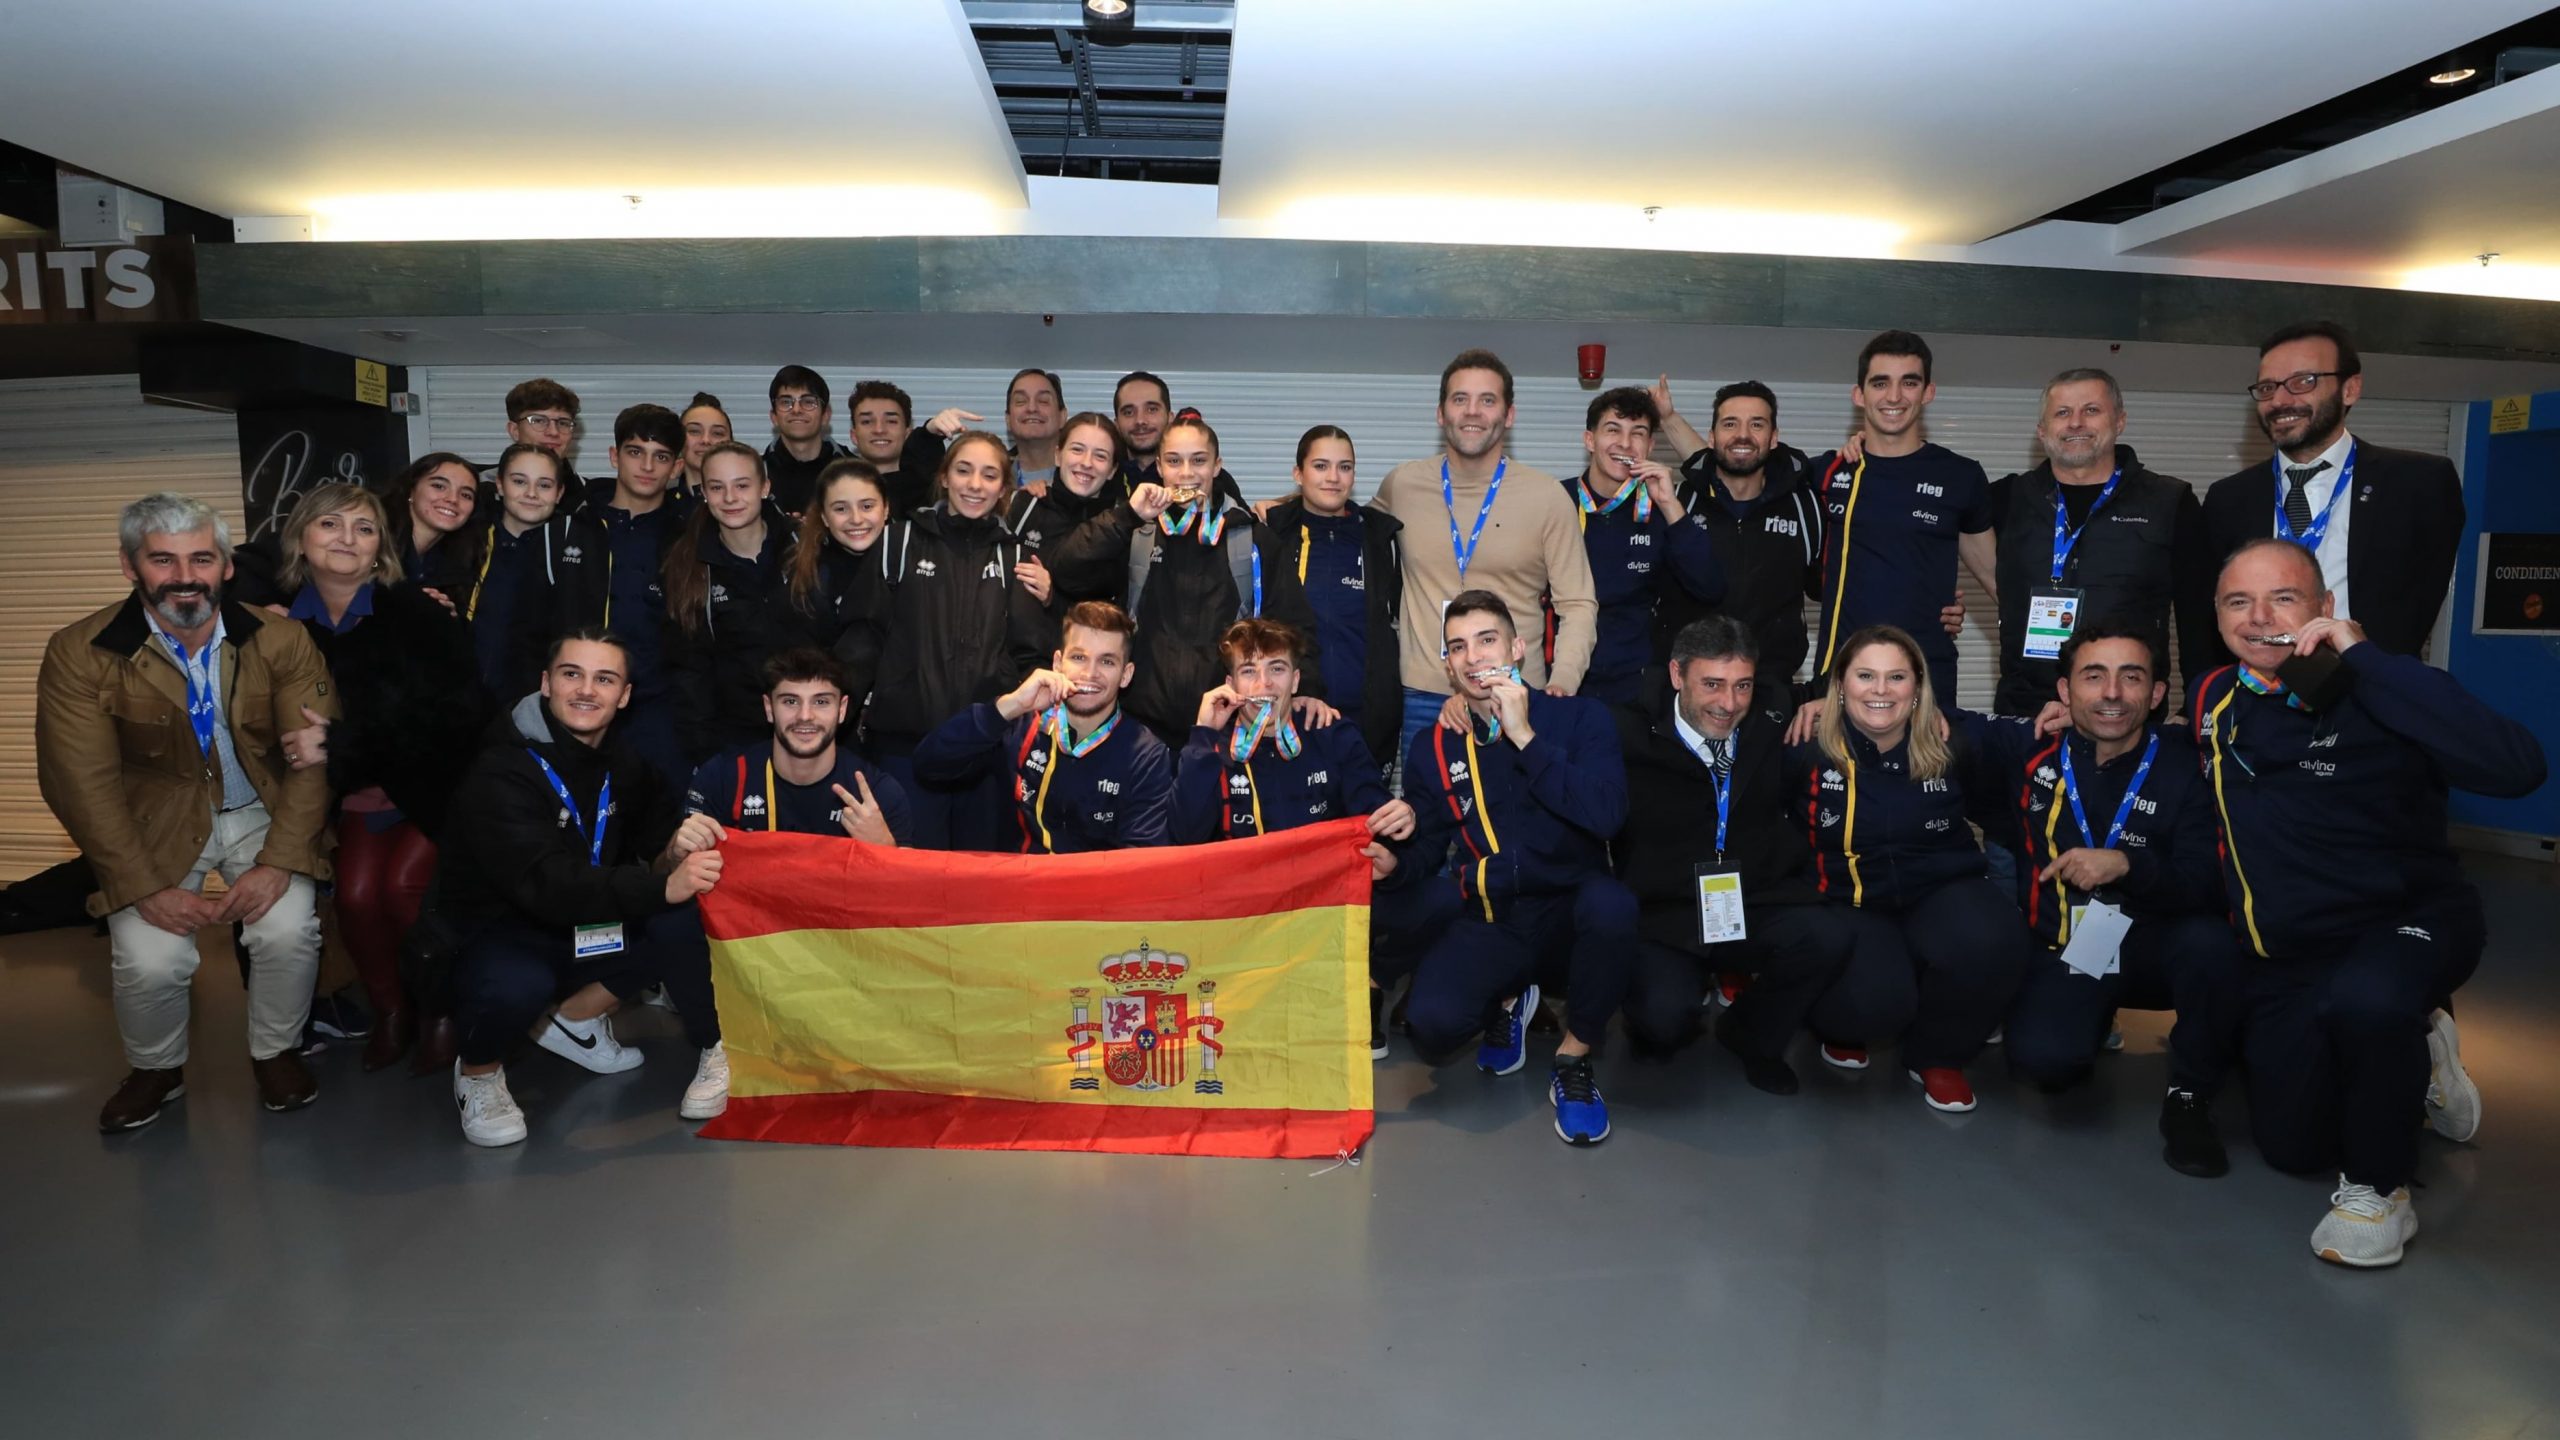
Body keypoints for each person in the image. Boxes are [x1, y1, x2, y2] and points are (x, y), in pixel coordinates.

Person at [2192, 538, 2545, 1266]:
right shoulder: (2215, 699)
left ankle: (2379, 1192)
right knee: (2294, 1148)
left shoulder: (2387, 690)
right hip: (2295, 953)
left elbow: (2517, 769)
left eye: (2282, 598)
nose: (2259, 618)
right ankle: (2419, 1052)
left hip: (2408, 922)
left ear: (2324, 607)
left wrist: (2367, 659)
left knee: (2369, 999)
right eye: (2238, 601)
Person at [37, 493, 335, 1129]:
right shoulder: (79, 651)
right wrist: (141, 886)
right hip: (148, 821)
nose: (184, 576)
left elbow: (314, 761)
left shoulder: (282, 639)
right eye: (162, 559)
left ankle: (276, 1051)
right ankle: (156, 1069)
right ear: (130, 566)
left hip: (262, 809)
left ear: (226, 566)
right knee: (152, 958)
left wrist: (281, 860)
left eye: (202, 557)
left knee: (287, 931)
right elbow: (78, 781)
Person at [1970, 621, 2241, 1176]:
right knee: (2044, 1064)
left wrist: (2128, 865)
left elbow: (2207, 884)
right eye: (2094, 677)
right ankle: (2093, 1017)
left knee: (2212, 945)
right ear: (2066, 692)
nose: (2112, 693)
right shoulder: (2031, 752)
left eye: (2131, 677)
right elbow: (1932, 723)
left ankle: (2191, 1095)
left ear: (2157, 694)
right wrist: (1824, 705)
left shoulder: (2190, 765)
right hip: (2074, 947)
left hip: (2160, 946)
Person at [443, 629, 730, 1146]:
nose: (586, 690)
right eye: (572, 674)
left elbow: (657, 847)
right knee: (516, 985)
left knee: (681, 920)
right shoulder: (500, 767)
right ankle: (478, 1071)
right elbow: (545, 884)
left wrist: (676, 850)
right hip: (506, 930)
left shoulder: (625, 763)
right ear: (546, 683)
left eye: (605, 679)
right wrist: (660, 886)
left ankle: (580, 1021)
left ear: (624, 696)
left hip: (585, 924)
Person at [265, 484, 493, 1071]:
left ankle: (439, 1010)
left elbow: (458, 717)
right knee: (359, 897)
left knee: (403, 890)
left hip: (438, 785)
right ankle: (392, 1011)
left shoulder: (418, 612)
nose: (347, 538)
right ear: (301, 537)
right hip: (357, 792)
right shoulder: (280, 621)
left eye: (364, 528)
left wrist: (341, 744)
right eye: (330, 525)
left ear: (380, 548)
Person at [1398, 593, 1635, 1147]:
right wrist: (1392, 858)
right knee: (1432, 1027)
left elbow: (1607, 816)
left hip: (1571, 914)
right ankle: (1511, 999)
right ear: (1448, 665)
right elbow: (1428, 847)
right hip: (1495, 916)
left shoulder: (1579, 717)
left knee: (1614, 906)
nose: (1473, 657)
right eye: (1458, 647)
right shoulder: (1433, 744)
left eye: (1486, 640)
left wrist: (1526, 737)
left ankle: (1573, 1059)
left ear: (1518, 648)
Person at [1785, 624, 2038, 1113]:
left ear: (1918, 687)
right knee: (1871, 1004)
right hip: (1850, 900)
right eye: (1865, 676)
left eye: (1896, 677)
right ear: (1839, 684)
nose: (1880, 690)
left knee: (1998, 939)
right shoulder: (1805, 745)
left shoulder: (1953, 740)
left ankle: (1937, 1056)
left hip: (1940, 890)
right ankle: (1845, 1026)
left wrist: (2059, 711)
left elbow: (2020, 743)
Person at [1173, 618, 1445, 1056]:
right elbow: (1182, 836)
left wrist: (1400, 823)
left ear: (1296, 680)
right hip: (1247, 917)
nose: (1263, 683)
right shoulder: (1213, 745)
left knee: (1439, 900)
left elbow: (1375, 816)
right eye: (1249, 671)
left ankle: (1369, 982)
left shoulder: (1329, 731)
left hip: (1325, 910)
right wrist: (1203, 733)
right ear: (1229, 683)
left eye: (1277, 669)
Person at [1611, 616, 1856, 1095]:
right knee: (1661, 1023)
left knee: (1826, 936)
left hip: (1751, 898)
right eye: (1713, 684)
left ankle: (1752, 1034)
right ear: (1678, 675)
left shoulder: (1774, 710)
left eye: (1742, 685)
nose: (1729, 703)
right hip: (1666, 909)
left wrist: (1848, 700)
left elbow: (1873, 694)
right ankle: (1663, 1007)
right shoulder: (1626, 729)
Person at [1041, 415, 1325, 744]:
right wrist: (1127, 515)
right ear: (1159, 467)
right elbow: (1067, 572)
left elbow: (1296, 626)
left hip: (1227, 725)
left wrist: (1309, 689)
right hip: (1143, 730)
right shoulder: (1136, 532)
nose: (1187, 473)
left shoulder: (1252, 540)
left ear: (1217, 466)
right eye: (1174, 461)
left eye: (1199, 460)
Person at [1374, 349, 1599, 757]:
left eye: (1487, 400)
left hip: (1513, 691)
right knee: (1428, 818)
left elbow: (1578, 602)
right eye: (1460, 399)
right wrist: (1283, 504)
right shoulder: (1402, 485)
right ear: (1441, 413)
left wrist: (1562, 681)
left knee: (1514, 817)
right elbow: (1342, 519)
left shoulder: (1547, 497)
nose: (1472, 412)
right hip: (1424, 695)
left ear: (1509, 415)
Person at [2203, 320, 2466, 660]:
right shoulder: (2229, 498)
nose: (2280, 400)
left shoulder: (2419, 483)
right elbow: (2209, 614)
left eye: (2302, 381)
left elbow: (2421, 604)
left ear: (2350, 389)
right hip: (2259, 693)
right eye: (2267, 388)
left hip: (2370, 692)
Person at [840, 432, 1051, 849]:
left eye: (989, 475)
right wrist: (837, 726)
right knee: (909, 882)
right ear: (944, 477)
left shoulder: (1015, 558)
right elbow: (860, 643)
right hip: (904, 752)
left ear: (1003, 487)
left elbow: (1031, 655)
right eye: (964, 470)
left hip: (985, 755)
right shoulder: (897, 542)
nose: (975, 484)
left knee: (981, 886)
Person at [1986, 369, 2217, 717]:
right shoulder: (2008, 498)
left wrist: (2195, 712)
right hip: (2026, 715)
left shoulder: (2170, 501)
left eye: (2091, 410)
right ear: (2041, 431)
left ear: (2120, 421)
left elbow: (2197, 618)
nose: (2076, 423)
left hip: (2126, 715)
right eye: (2062, 413)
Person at [1807, 331, 1996, 710]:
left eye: (1909, 382)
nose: (1894, 397)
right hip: (1843, 677)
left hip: (1929, 678)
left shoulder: (1960, 475)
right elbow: (1738, 475)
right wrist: (1669, 417)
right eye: (1880, 383)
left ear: (1928, 392)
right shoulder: (1827, 472)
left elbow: (1998, 582)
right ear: (1859, 394)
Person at [912, 601, 1174, 853]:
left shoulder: (1146, 755)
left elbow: (1141, 859)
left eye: (1107, 661)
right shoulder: (1021, 724)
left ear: (1126, 675)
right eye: (1079, 657)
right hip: (1019, 887)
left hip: (1095, 895)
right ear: (1058, 663)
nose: (1090, 673)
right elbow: (929, 764)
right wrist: (1010, 705)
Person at [1653, 378, 1827, 724]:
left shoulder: (1806, 507)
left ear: (1774, 438)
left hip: (1770, 694)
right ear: (1712, 436)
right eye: (1730, 424)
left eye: (1757, 424)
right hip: (1686, 693)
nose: (1743, 435)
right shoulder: (1677, 501)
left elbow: (1839, 592)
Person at [554, 403, 694, 787]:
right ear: (615, 456)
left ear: (677, 467)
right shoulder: (571, 523)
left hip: (659, 709)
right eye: (636, 452)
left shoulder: (691, 537)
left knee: (666, 831)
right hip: (577, 703)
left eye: (661, 456)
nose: (647, 467)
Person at [1563, 386, 1723, 705]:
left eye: (1638, 433)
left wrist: (1670, 505)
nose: (1625, 443)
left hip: (1637, 688)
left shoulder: (1661, 507)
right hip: (1565, 680)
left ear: (1650, 445)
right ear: (1589, 440)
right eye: (1613, 430)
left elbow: (1710, 587)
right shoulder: (1557, 500)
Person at [1262, 425, 1406, 768]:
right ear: (1298, 473)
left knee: (1366, 822)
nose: (1333, 477)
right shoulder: (1270, 534)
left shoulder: (1379, 537)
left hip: (1367, 724)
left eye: (1345, 467)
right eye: (1321, 466)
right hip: (1291, 716)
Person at [663, 442, 798, 764]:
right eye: (717, 487)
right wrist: (705, 755)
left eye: (742, 485)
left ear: (764, 487)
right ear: (704, 493)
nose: (730, 498)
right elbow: (689, 672)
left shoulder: (805, 548)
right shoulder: (687, 566)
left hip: (813, 730)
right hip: (734, 741)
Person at [687, 649, 910, 845]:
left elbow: (908, 889)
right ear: (769, 708)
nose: (805, 716)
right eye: (790, 701)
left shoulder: (878, 795)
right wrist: (677, 855)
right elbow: (674, 872)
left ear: (842, 710)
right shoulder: (722, 779)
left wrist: (884, 848)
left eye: (821, 702)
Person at [459, 442, 572, 698]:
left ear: (559, 492)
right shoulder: (466, 540)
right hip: (459, 698)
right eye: (519, 481)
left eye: (544, 485)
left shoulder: (573, 549)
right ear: (500, 485)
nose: (531, 493)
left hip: (532, 703)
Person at [999, 411, 1125, 612]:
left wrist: (1053, 598)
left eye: (1100, 456)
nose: (1086, 463)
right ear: (1058, 455)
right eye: (1077, 450)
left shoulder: (1122, 524)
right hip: (1023, 642)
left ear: (1112, 470)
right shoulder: (1025, 505)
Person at [785, 458, 892, 664]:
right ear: (824, 516)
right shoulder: (808, 575)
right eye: (841, 509)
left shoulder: (912, 561)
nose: (856, 519)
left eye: (867, 506)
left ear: (886, 508)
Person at [847, 379, 980, 517]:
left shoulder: (931, 490)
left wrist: (929, 433)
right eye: (867, 421)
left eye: (891, 421)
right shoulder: (837, 487)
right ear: (854, 436)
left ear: (907, 433)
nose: (879, 429)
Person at [385, 452, 484, 599]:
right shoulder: (373, 539)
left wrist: (445, 613)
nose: (453, 499)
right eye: (439, 486)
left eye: (466, 495)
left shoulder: (461, 558)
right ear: (411, 490)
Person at [762, 365, 857, 516]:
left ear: (826, 415)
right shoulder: (757, 472)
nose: (797, 409)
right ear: (773, 417)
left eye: (808, 401)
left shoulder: (855, 469)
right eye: (786, 402)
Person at [484, 377, 585, 510]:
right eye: (539, 421)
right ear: (514, 430)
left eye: (563, 423)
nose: (553, 432)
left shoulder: (589, 496)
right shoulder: (476, 489)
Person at [1005, 367, 1065, 488]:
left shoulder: (1086, 476)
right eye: (1021, 401)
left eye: (1043, 401)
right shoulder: (992, 478)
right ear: (1008, 419)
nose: (1032, 408)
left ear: (1062, 417)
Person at [676, 391, 731, 501]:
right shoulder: (659, 505)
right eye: (694, 431)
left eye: (717, 433)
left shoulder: (748, 504)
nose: (706, 440)